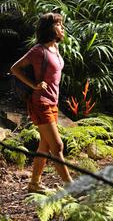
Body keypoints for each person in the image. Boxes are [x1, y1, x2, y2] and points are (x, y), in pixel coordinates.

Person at [11, 12, 72, 193]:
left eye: (62, 24)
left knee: (44, 146)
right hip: (40, 103)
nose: (62, 28)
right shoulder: (38, 51)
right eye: (59, 25)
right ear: (50, 28)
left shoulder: (55, 49)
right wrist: (34, 85)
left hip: (52, 102)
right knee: (57, 146)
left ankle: (34, 184)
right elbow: (15, 68)